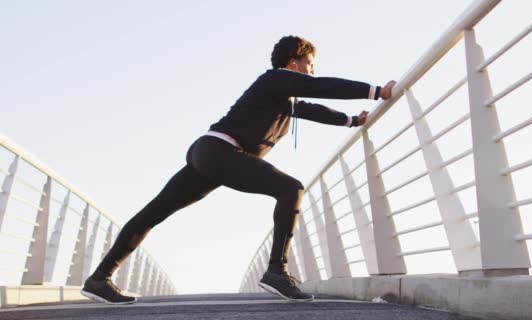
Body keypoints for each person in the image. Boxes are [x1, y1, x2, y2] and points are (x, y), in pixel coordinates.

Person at [80, 35, 395, 304]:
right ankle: (277, 272)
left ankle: (98, 279)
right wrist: (376, 90)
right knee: (291, 188)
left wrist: (352, 120)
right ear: (294, 61)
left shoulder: (283, 99)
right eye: (310, 63)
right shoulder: (274, 78)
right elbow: (321, 88)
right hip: (220, 151)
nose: (312, 70)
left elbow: (314, 109)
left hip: (208, 154)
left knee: (155, 212)